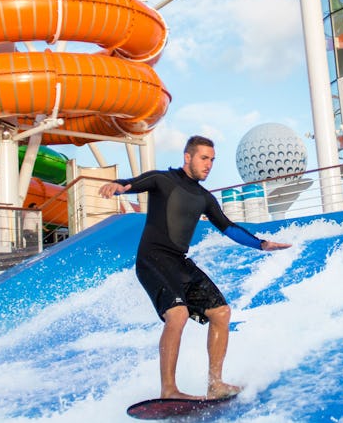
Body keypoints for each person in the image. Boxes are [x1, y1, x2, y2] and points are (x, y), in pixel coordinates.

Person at [99, 135, 291, 400]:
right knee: (177, 314)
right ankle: (169, 390)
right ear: (187, 157)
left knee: (221, 312)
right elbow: (134, 183)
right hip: (152, 259)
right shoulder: (163, 180)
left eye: (212, 159)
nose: (209, 164)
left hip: (179, 262)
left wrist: (261, 244)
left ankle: (215, 384)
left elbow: (228, 227)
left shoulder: (204, 197)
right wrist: (118, 186)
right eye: (204, 158)